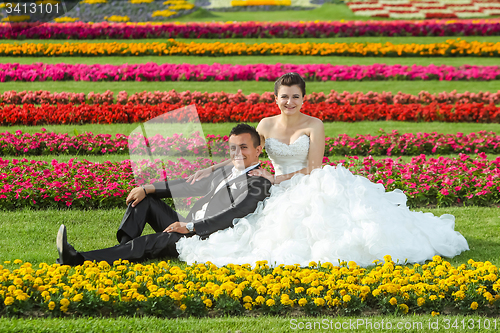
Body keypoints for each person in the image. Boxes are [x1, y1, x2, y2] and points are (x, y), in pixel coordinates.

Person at [176, 72, 469, 267]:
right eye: (284, 96)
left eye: (295, 97)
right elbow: (244, 153)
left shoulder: (314, 124)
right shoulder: (264, 125)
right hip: (274, 182)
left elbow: (313, 167)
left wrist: (274, 177)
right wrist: (212, 167)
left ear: (303, 99)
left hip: (307, 181)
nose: (289, 102)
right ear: (275, 98)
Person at [56, 124, 272, 266]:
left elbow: (236, 212)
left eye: (243, 148)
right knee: (144, 200)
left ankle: (77, 259)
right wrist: (148, 187)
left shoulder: (259, 182)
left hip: (205, 236)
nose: (237, 153)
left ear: (258, 150)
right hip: (188, 224)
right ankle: (122, 250)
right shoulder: (226, 170)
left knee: (148, 243)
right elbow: (190, 185)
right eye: (233, 148)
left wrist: (189, 227)